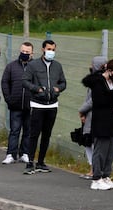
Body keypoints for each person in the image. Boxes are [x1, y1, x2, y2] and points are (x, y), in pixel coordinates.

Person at [22, 39, 67, 174]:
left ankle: (41, 162)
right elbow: (25, 81)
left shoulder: (57, 66)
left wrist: (58, 88)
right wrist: (37, 89)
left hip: (52, 105)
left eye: (53, 50)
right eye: (49, 49)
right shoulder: (33, 65)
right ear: (43, 49)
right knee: (34, 134)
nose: (51, 52)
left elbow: (63, 82)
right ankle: (30, 162)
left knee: (47, 135)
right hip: (37, 104)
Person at [82, 58, 113, 190]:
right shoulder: (99, 81)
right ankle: (96, 178)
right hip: (101, 120)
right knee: (100, 149)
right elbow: (100, 100)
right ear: (109, 70)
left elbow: (112, 98)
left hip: (112, 120)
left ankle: (106, 175)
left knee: (111, 148)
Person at [1, 42, 33, 164]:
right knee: (14, 130)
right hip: (15, 105)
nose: (24, 53)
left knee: (28, 131)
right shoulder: (11, 66)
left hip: (30, 105)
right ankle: (11, 154)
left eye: (27, 52)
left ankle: (25, 153)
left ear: (31, 53)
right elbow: (5, 82)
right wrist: (9, 99)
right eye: (23, 51)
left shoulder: (35, 67)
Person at [78, 56, 107, 179]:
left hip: (93, 116)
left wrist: (81, 111)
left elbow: (91, 100)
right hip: (91, 115)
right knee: (89, 142)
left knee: (92, 142)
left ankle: (94, 169)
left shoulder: (97, 81)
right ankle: (93, 168)